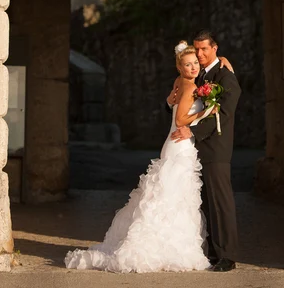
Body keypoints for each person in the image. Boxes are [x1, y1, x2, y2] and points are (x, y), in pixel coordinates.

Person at [64, 42, 214, 273]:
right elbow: (182, 120)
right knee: (173, 196)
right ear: (180, 66)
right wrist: (207, 110)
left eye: (195, 63)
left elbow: (171, 102)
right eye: (187, 64)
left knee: (172, 196)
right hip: (181, 145)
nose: (193, 67)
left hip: (176, 144)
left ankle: (168, 247)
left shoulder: (179, 82)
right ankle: (164, 249)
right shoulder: (189, 87)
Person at [171, 29, 241, 272]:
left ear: (215, 48)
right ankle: (212, 251)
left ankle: (227, 255)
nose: (200, 54)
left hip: (216, 147)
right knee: (204, 201)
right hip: (196, 150)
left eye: (204, 49)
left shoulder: (225, 76)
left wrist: (193, 131)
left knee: (221, 201)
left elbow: (224, 112)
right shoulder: (198, 73)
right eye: (197, 49)